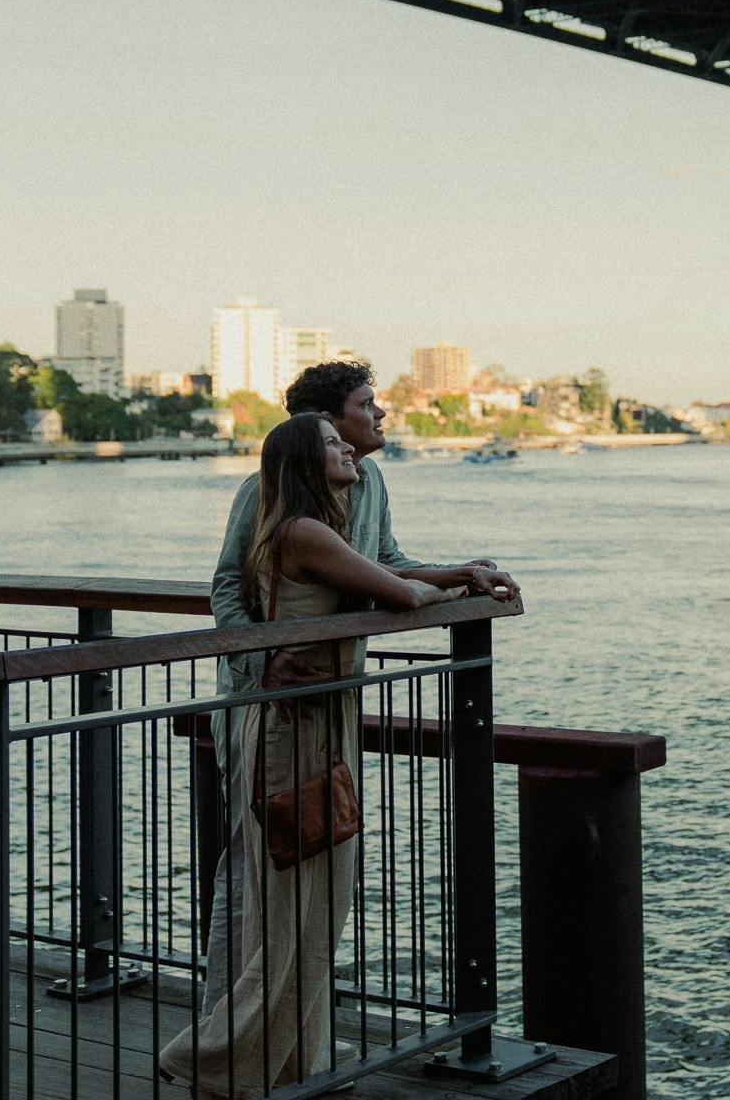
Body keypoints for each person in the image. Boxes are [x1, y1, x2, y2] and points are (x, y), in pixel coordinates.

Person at [199, 361, 517, 1015]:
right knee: (254, 859)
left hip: (328, 694)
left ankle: (289, 1029)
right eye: (366, 405)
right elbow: (229, 583)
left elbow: (386, 565)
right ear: (324, 422)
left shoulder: (369, 481)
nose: (379, 416)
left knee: (315, 852)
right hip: (265, 700)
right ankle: (226, 1024)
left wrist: (463, 572)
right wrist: (257, 666)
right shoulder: (268, 492)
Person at [160, 413, 462, 1094]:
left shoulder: (306, 525)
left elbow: (388, 566)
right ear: (304, 459)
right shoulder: (304, 531)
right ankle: (208, 1057)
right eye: (333, 442)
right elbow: (402, 591)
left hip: (310, 720)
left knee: (310, 900)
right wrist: (455, 590)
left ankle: (290, 1061)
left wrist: (460, 575)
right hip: (292, 727)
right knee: (296, 905)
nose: (350, 446)